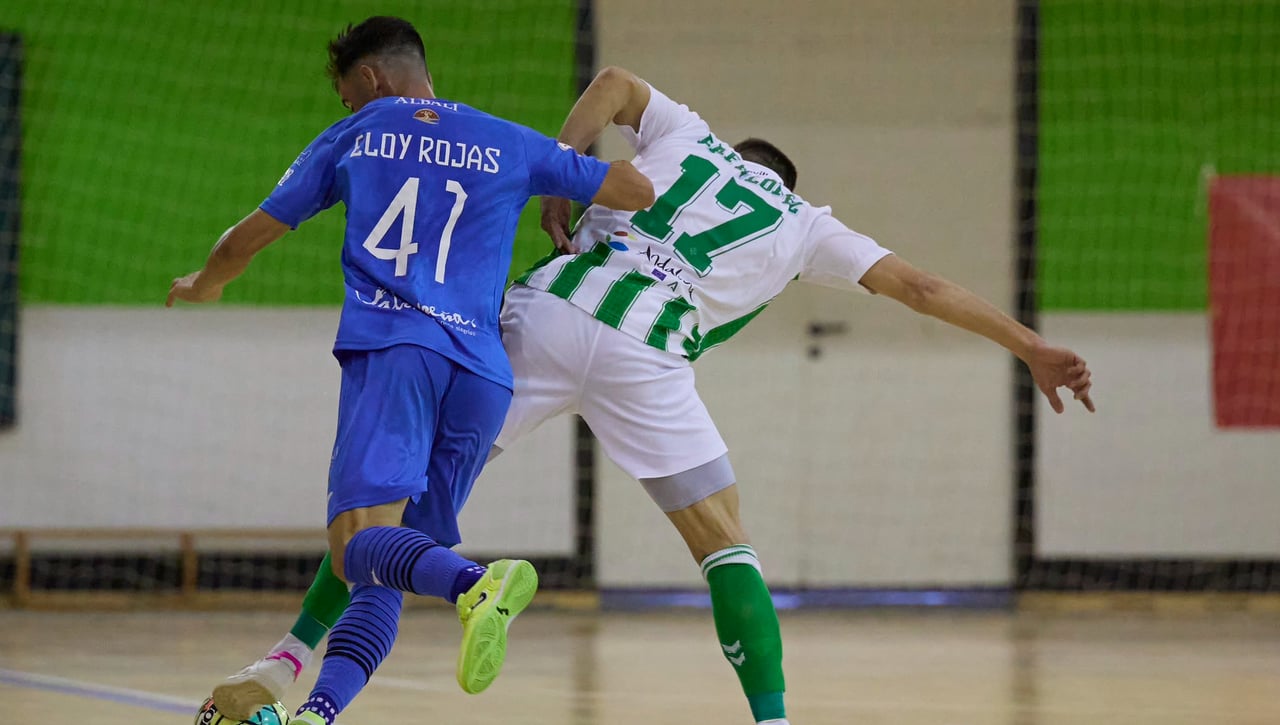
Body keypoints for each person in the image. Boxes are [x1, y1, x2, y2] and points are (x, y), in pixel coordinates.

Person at [210, 67, 1093, 725]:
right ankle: (774, 720)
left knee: (391, 514)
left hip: (550, 313)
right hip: (649, 360)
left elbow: (614, 81)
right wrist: (1030, 346)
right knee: (724, 545)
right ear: (781, 182)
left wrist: (564, 171)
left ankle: (291, 667)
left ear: (733, 155)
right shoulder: (802, 224)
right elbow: (924, 288)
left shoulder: (687, 138)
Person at [166, 18, 654, 725]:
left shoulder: (361, 134)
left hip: (398, 352)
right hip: (483, 373)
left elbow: (248, 236)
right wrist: (559, 183)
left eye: (346, 96)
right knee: (386, 565)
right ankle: (316, 710)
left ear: (370, 79)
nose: (348, 109)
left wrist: (207, 281)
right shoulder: (509, 139)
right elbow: (633, 188)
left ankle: (475, 583)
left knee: (355, 545)